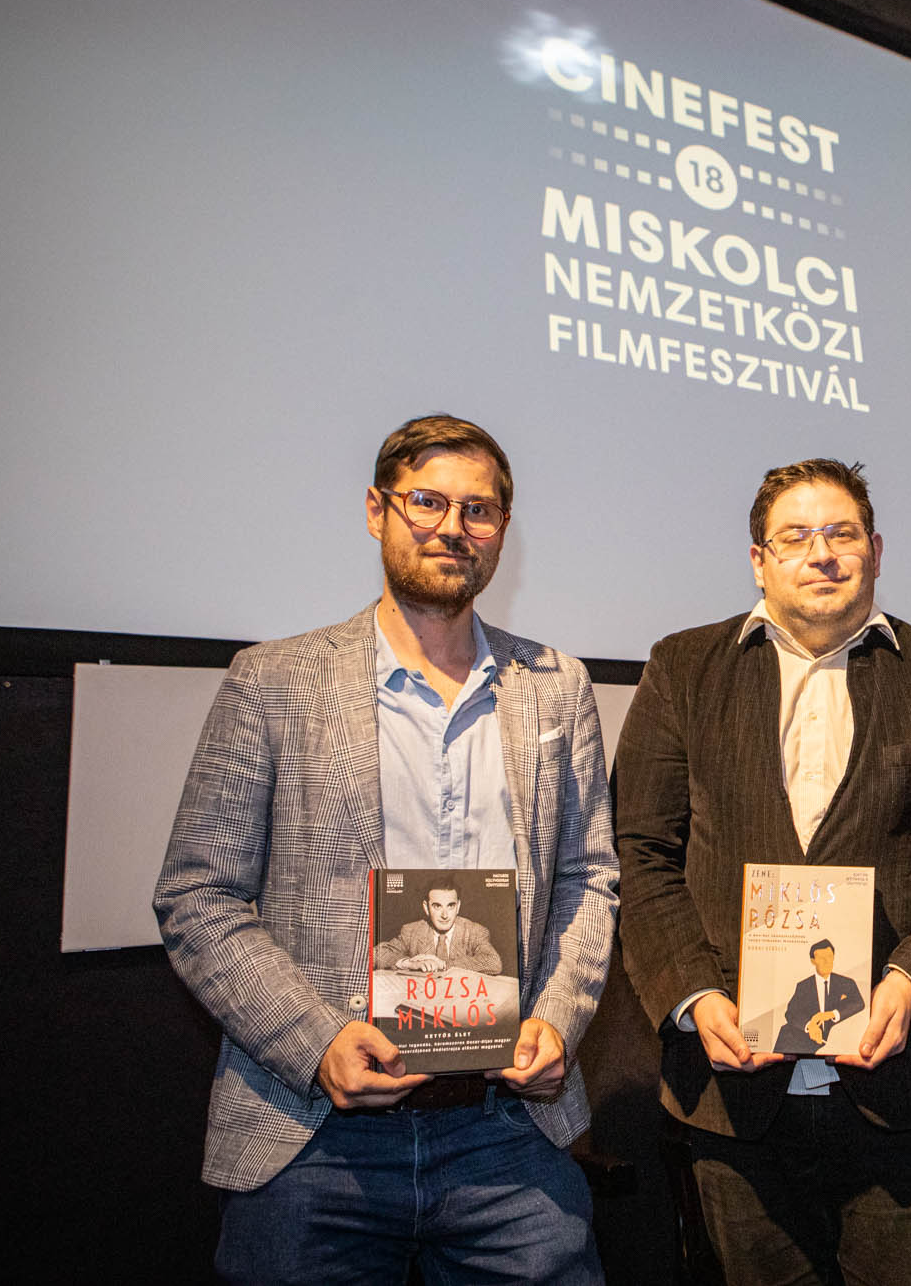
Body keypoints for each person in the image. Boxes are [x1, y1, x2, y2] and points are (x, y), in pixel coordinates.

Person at [154, 414, 618, 1285]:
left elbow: (589, 878)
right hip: (313, 1134)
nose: (453, 527)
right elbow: (197, 894)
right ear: (378, 510)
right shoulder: (272, 681)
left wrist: (559, 1018)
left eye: (478, 509)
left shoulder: (558, 687)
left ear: (503, 529)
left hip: (506, 1127)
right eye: (427, 502)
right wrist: (317, 1040)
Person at [615, 458, 911, 1286]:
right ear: (758, 560)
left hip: (909, 1093)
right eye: (795, 537)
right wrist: (694, 997)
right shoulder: (682, 667)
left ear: (876, 549)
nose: (822, 553)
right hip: (735, 1100)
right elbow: (643, 852)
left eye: (842, 533)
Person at [373, 881, 505, 975]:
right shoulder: (412, 931)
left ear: (458, 906)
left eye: (450, 906)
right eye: (437, 906)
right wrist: (409, 963)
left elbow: (493, 962)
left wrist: (443, 964)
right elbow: (376, 954)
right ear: (426, 907)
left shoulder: (474, 931)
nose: (445, 915)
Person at [773, 938, 867, 1053]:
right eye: (822, 958)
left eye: (830, 957)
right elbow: (791, 1012)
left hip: (836, 1040)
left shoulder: (846, 982)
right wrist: (809, 1026)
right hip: (805, 1041)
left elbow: (858, 1002)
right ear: (813, 961)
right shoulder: (803, 986)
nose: (827, 961)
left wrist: (829, 1014)